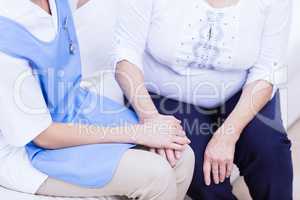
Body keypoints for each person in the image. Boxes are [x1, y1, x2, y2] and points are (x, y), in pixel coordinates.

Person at [0, 0, 194, 199]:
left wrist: (150, 118)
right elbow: (43, 136)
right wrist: (138, 133)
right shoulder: (6, 34)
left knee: (182, 155)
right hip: (33, 148)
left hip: (76, 108)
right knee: (156, 176)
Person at [113, 0, 293, 199]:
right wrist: (151, 119)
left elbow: (267, 69)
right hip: (165, 95)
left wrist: (227, 136)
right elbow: (126, 53)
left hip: (242, 90)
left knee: (270, 152)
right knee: (203, 175)